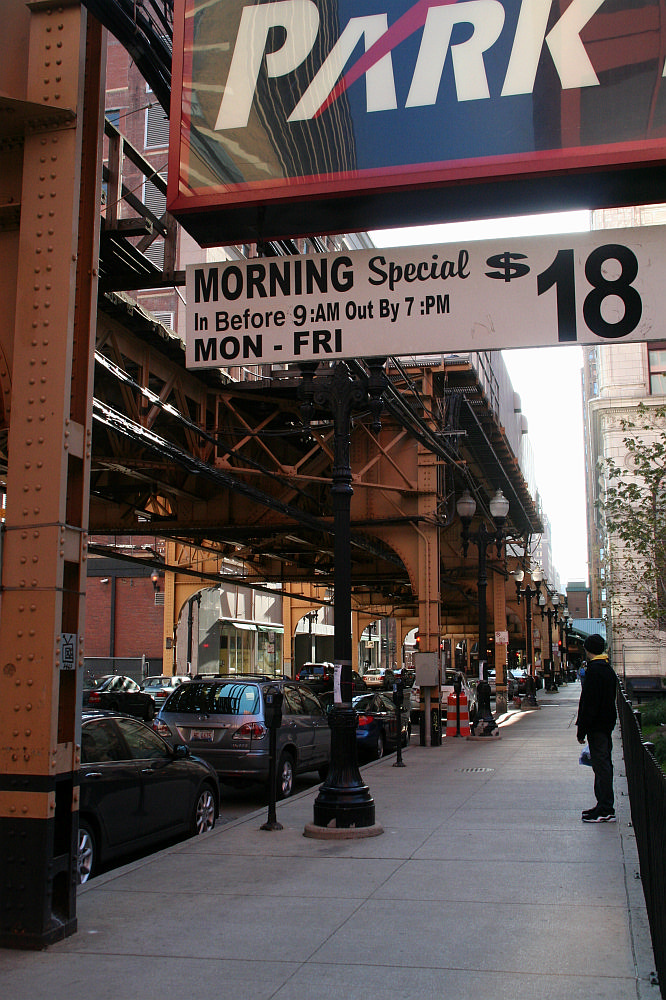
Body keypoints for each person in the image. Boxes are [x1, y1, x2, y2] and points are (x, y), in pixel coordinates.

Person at [576, 633, 618, 823]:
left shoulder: (594, 671)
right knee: (602, 764)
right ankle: (602, 805)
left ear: (588, 649)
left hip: (597, 726)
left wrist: (582, 728)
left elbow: (589, 703)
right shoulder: (607, 669)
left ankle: (606, 808)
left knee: (601, 766)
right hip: (605, 723)